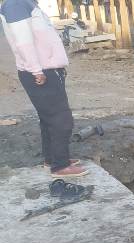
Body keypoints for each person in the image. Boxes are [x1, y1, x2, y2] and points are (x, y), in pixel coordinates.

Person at [0, 0, 88, 178]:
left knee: (49, 119)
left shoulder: (27, 3)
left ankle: (53, 160)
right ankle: (60, 166)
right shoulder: (16, 4)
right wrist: (36, 70)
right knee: (61, 119)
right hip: (40, 72)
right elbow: (23, 41)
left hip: (46, 70)